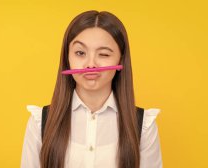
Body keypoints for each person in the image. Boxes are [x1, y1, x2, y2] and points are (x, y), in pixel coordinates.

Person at [20, 10, 162, 168]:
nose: (91, 64)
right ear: (67, 58)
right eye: (80, 53)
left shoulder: (144, 126)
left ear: (120, 60)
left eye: (103, 54)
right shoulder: (40, 122)